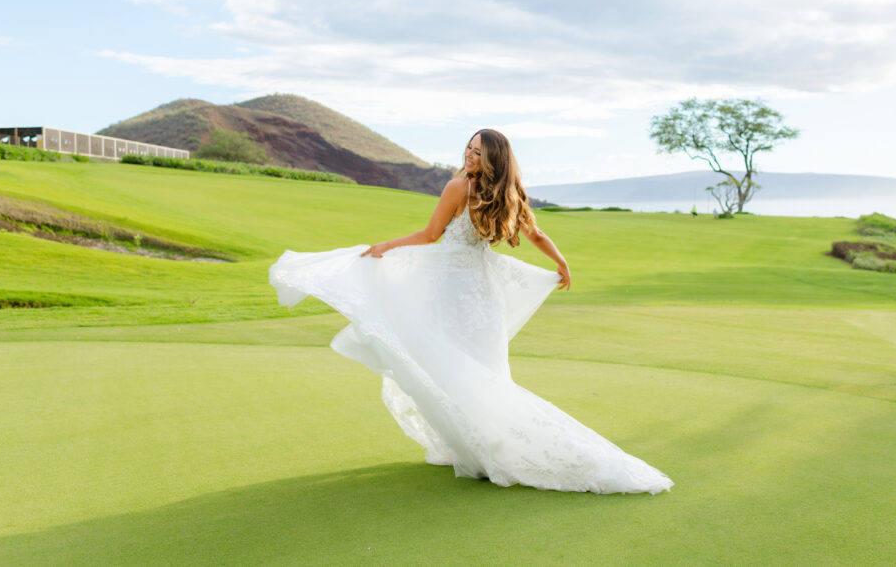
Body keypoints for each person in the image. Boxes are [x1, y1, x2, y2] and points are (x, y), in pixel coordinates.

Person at [269, 129, 672, 494]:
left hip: (453, 290)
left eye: (478, 152)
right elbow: (534, 233)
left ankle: (487, 449)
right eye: (468, 148)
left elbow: (430, 235)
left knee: (461, 369)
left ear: (493, 158)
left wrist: (385, 246)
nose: (469, 156)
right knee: (479, 369)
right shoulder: (504, 193)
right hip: (480, 291)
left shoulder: (458, 187)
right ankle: (479, 448)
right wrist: (560, 261)